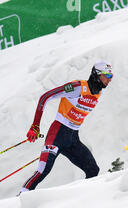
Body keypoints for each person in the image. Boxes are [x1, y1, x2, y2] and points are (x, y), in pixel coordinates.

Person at [18, 61, 113, 196]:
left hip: (73, 139)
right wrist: (35, 126)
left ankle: (81, 201)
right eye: (107, 76)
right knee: (42, 171)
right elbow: (45, 97)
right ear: (97, 75)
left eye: (111, 77)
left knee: (93, 170)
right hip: (57, 134)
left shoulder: (98, 93)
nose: (109, 80)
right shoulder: (77, 87)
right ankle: (20, 199)